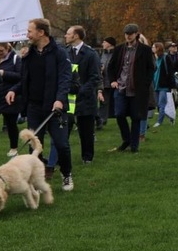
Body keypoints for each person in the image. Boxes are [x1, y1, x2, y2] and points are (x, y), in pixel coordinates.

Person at [6, 18, 75, 190]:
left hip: (55, 108)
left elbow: (65, 79)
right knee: (34, 145)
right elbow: (25, 79)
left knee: (61, 144)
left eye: (30, 31)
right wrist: (14, 89)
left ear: (41, 33)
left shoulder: (59, 52)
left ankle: (66, 174)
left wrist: (59, 99)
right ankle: (36, 179)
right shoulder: (28, 54)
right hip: (34, 107)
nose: (27, 34)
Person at [106, 24, 155, 154]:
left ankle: (134, 146)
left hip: (137, 89)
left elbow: (151, 68)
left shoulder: (144, 50)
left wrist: (145, 84)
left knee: (136, 117)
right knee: (119, 114)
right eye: (126, 33)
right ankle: (126, 139)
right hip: (121, 87)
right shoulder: (119, 49)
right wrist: (113, 81)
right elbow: (110, 67)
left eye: (131, 33)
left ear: (136, 34)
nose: (128, 36)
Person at [64, 26, 101, 166]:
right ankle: (61, 158)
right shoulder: (65, 52)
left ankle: (87, 157)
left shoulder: (91, 54)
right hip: (67, 97)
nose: (65, 36)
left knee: (86, 130)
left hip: (85, 98)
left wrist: (81, 92)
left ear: (76, 36)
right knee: (64, 129)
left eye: (68, 34)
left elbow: (95, 77)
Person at [0, 42, 22, 158]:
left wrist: (4, 73)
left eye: (1, 51)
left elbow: (20, 76)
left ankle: (14, 148)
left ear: (7, 49)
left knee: (11, 124)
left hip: (10, 97)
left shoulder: (15, 59)